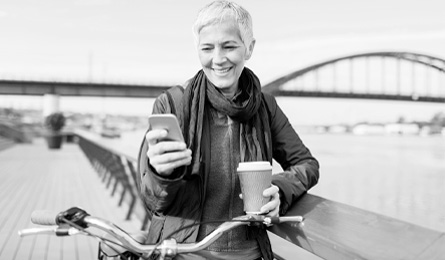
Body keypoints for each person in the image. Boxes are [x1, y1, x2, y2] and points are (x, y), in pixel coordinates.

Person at [137, 1, 320, 259]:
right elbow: (153, 202)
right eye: (207, 48)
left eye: (229, 46)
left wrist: (278, 190)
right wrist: (159, 173)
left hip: (249, 253)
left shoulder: (265, 107)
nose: (218, 59)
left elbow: (306, 164)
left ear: (249, 48)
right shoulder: (172, 104)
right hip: (182, 252)